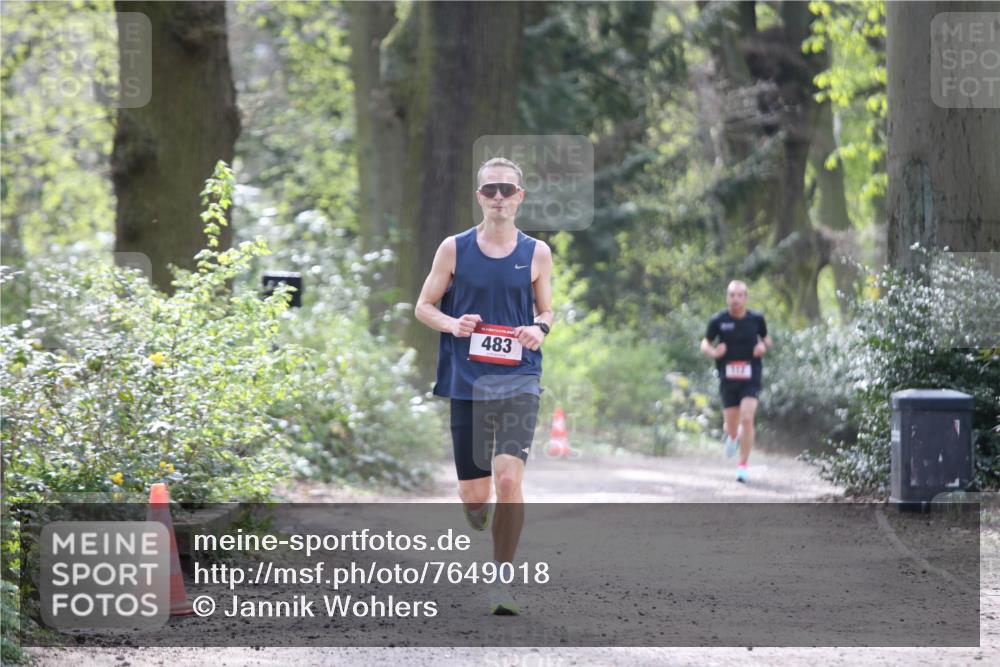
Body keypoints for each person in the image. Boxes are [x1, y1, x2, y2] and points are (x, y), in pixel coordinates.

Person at [415, 157, 553, 615]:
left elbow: (546, 310)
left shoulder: (537, 253)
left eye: (507, 190)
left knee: (509, 476)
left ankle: (501, 583)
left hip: (519, 378)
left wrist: (539, 328)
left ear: (520, 198)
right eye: (490, 189)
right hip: (467, 381)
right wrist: (454, 324)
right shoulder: (453, 249)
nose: (498, 197)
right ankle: (475, 508)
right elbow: (423, 307)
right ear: (479, 197)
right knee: (476, 496)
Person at [700, 280, 771, 483]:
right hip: (728, 378)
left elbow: (766, 339)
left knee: (747, 418)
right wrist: (714, 351)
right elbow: (704, 342)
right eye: (732, 295)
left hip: (751, 375)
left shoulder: (756, 319)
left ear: (746, 298)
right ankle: (732, 437)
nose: (736, 299)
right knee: (731, 426)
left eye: (740, 295)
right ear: (727, 297)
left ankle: (742, 465)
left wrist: (762, 347)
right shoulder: (719, 320)